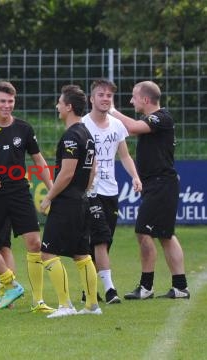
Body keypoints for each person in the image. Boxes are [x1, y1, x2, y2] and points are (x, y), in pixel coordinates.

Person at [0, 81, 55, 315]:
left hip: (19, 193)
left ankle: (38, 301)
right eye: (3, 101)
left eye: (11, 101)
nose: (7, 105)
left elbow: (39, 161)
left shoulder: (24, 129)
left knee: (35, 243)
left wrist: (52, 191)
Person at [109, 81, 190, 300]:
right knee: (165, 235)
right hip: (158, 185)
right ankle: (180, 288)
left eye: (134, 97)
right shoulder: (154, 120)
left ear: (145, 99)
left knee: (143, 231)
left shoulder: (161, 117)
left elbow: (133, 128)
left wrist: (112, 110)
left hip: (161, 184)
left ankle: (146, 287)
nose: (131, 101)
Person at [39, 84, 101, 318]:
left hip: (67, 203)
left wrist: (48, 197)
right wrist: (81, 192)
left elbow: (66, 173)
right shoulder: (87, 133)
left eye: (59, 102)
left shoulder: (71, 136)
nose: (57, 106)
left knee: (47, 253)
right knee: (81, 254)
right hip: (81, 200)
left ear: (68, 106)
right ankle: (92, 305)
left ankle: (65, 305)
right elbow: (92, 170)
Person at [81, 79, 142, 304]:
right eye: (101, 95)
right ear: (91, 99)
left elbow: (124, 155)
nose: (105, 99)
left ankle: (88, 286)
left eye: (109, 96)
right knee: (100, 238)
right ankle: (110, 290)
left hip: (111, 191)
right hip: (90, 191)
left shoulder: (117, 125)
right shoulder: (83, 125)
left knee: (104, 241)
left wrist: (135, 176)